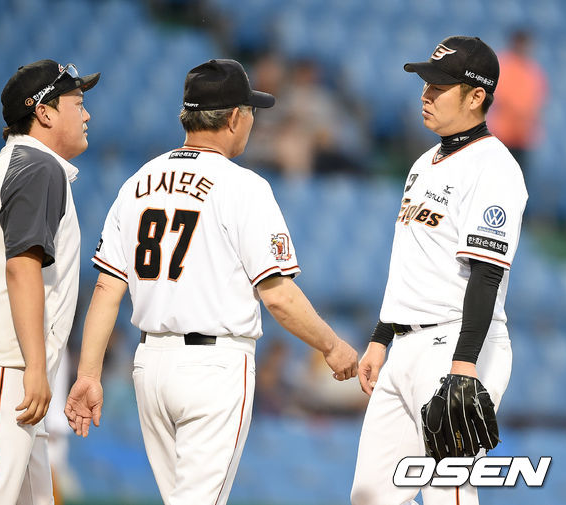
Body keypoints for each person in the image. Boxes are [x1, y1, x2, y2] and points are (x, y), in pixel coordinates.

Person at [64, 58, 359, 505]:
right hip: (214, 368)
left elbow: (107, 289)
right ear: (235, 117)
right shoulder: (243, 186)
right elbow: (278, 296)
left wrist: (88, 373)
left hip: (150, 366)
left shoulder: (138, 181)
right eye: (251, 111)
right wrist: (332, 346)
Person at [350, 36, 527, 505]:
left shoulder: (495, 167)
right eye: (426, 84)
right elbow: (411, 262)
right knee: (369, 497)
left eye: (440, 86)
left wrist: (464, 365)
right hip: (406, 343)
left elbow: (486, 274)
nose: (425, 94)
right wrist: (380, 337)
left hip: (457, 342)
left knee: (447, 492)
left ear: (475, 96)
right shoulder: (423, 163)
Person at [0, 59, 100, 504]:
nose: (86, 114)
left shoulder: (19, 163)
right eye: (77, 103)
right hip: (3, 360)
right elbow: (21, 266)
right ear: (44, 112)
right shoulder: (37, 166)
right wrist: (34, 367)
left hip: (4, 358)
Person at [488, 29, 547, 173]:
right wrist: (522, 114)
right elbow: (501, 97)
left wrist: (532, 117)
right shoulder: (503, 65)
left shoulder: (533, 70)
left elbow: (539, 100)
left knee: (519, 179)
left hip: (523, 137)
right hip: (503, 134)